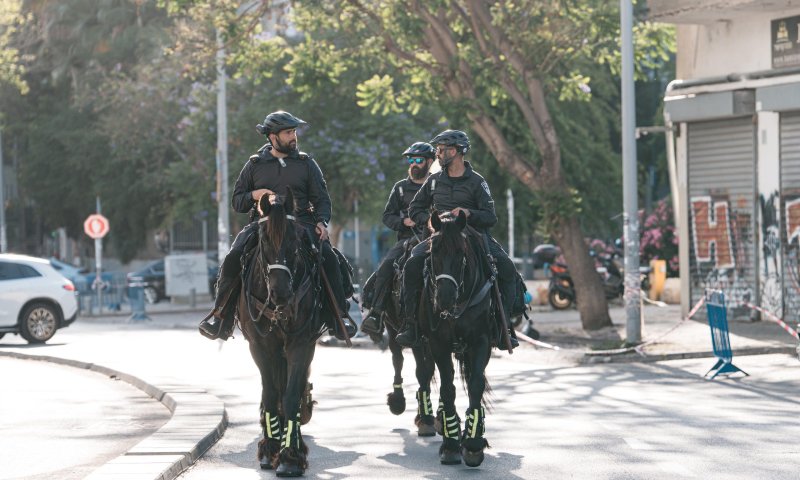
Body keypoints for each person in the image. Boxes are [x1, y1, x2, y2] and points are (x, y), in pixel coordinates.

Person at [199, 110, 354, 341]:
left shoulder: (307, 164)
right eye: (288, 132)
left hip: (301, 223)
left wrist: (322, 221)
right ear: (273, 137)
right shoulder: (254, 164)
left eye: (294, 132)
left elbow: (322, 199)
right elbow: (237, 202)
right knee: (233, 256)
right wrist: (255, 194)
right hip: (263, 225)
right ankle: (220, 317)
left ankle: (338, 317)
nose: (294, 136)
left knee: (330, 258)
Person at [394, 129, 519, 350]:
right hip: (440, 237)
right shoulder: (433, 181)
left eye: (441, 150)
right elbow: (415, 209)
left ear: (455, 151)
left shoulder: (477, 181)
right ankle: (411, 325)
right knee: (411, 264)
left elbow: (490, 217)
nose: (437, 154)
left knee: (507, 268)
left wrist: (469, 213)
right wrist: (430, 221)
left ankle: (504, 326)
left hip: (473, 237)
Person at [360, 142, 436, 336]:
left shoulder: (438, 185)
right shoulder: (400, 188)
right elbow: (387, 216)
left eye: (418, 160)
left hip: (436, 239)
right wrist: (403, 221)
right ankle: (376, 313)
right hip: (406, 240)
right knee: (386, 266)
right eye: (411, 160)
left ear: (430, 161)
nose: (413, 164)